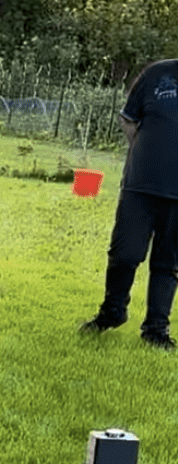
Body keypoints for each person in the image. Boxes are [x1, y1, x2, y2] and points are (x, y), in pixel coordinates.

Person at [80, 58, 177, 350]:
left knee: (168, 264)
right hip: (141, 185)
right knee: (124, 253)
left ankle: (155, 331)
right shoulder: (156, 74)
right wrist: (145, 153)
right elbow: (128, 118)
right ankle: (112, 312)